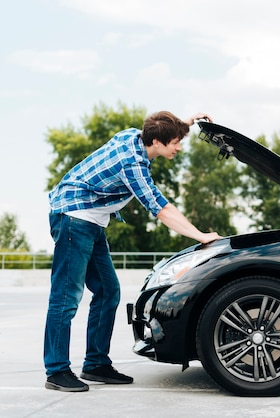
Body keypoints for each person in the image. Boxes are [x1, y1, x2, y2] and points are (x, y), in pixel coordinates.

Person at [44, 111, 221, 392]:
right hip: (73, 218)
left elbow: (158, 128)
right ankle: (56, 371)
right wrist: (200, 235)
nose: (178, 148)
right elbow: (160, 208)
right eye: (175, 142)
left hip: (91, 221)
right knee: (66, 297)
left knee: (108, 291)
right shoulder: (133, 164)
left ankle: (95, 364)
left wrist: (185, 123)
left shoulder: (135, 136)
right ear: (158, 142)